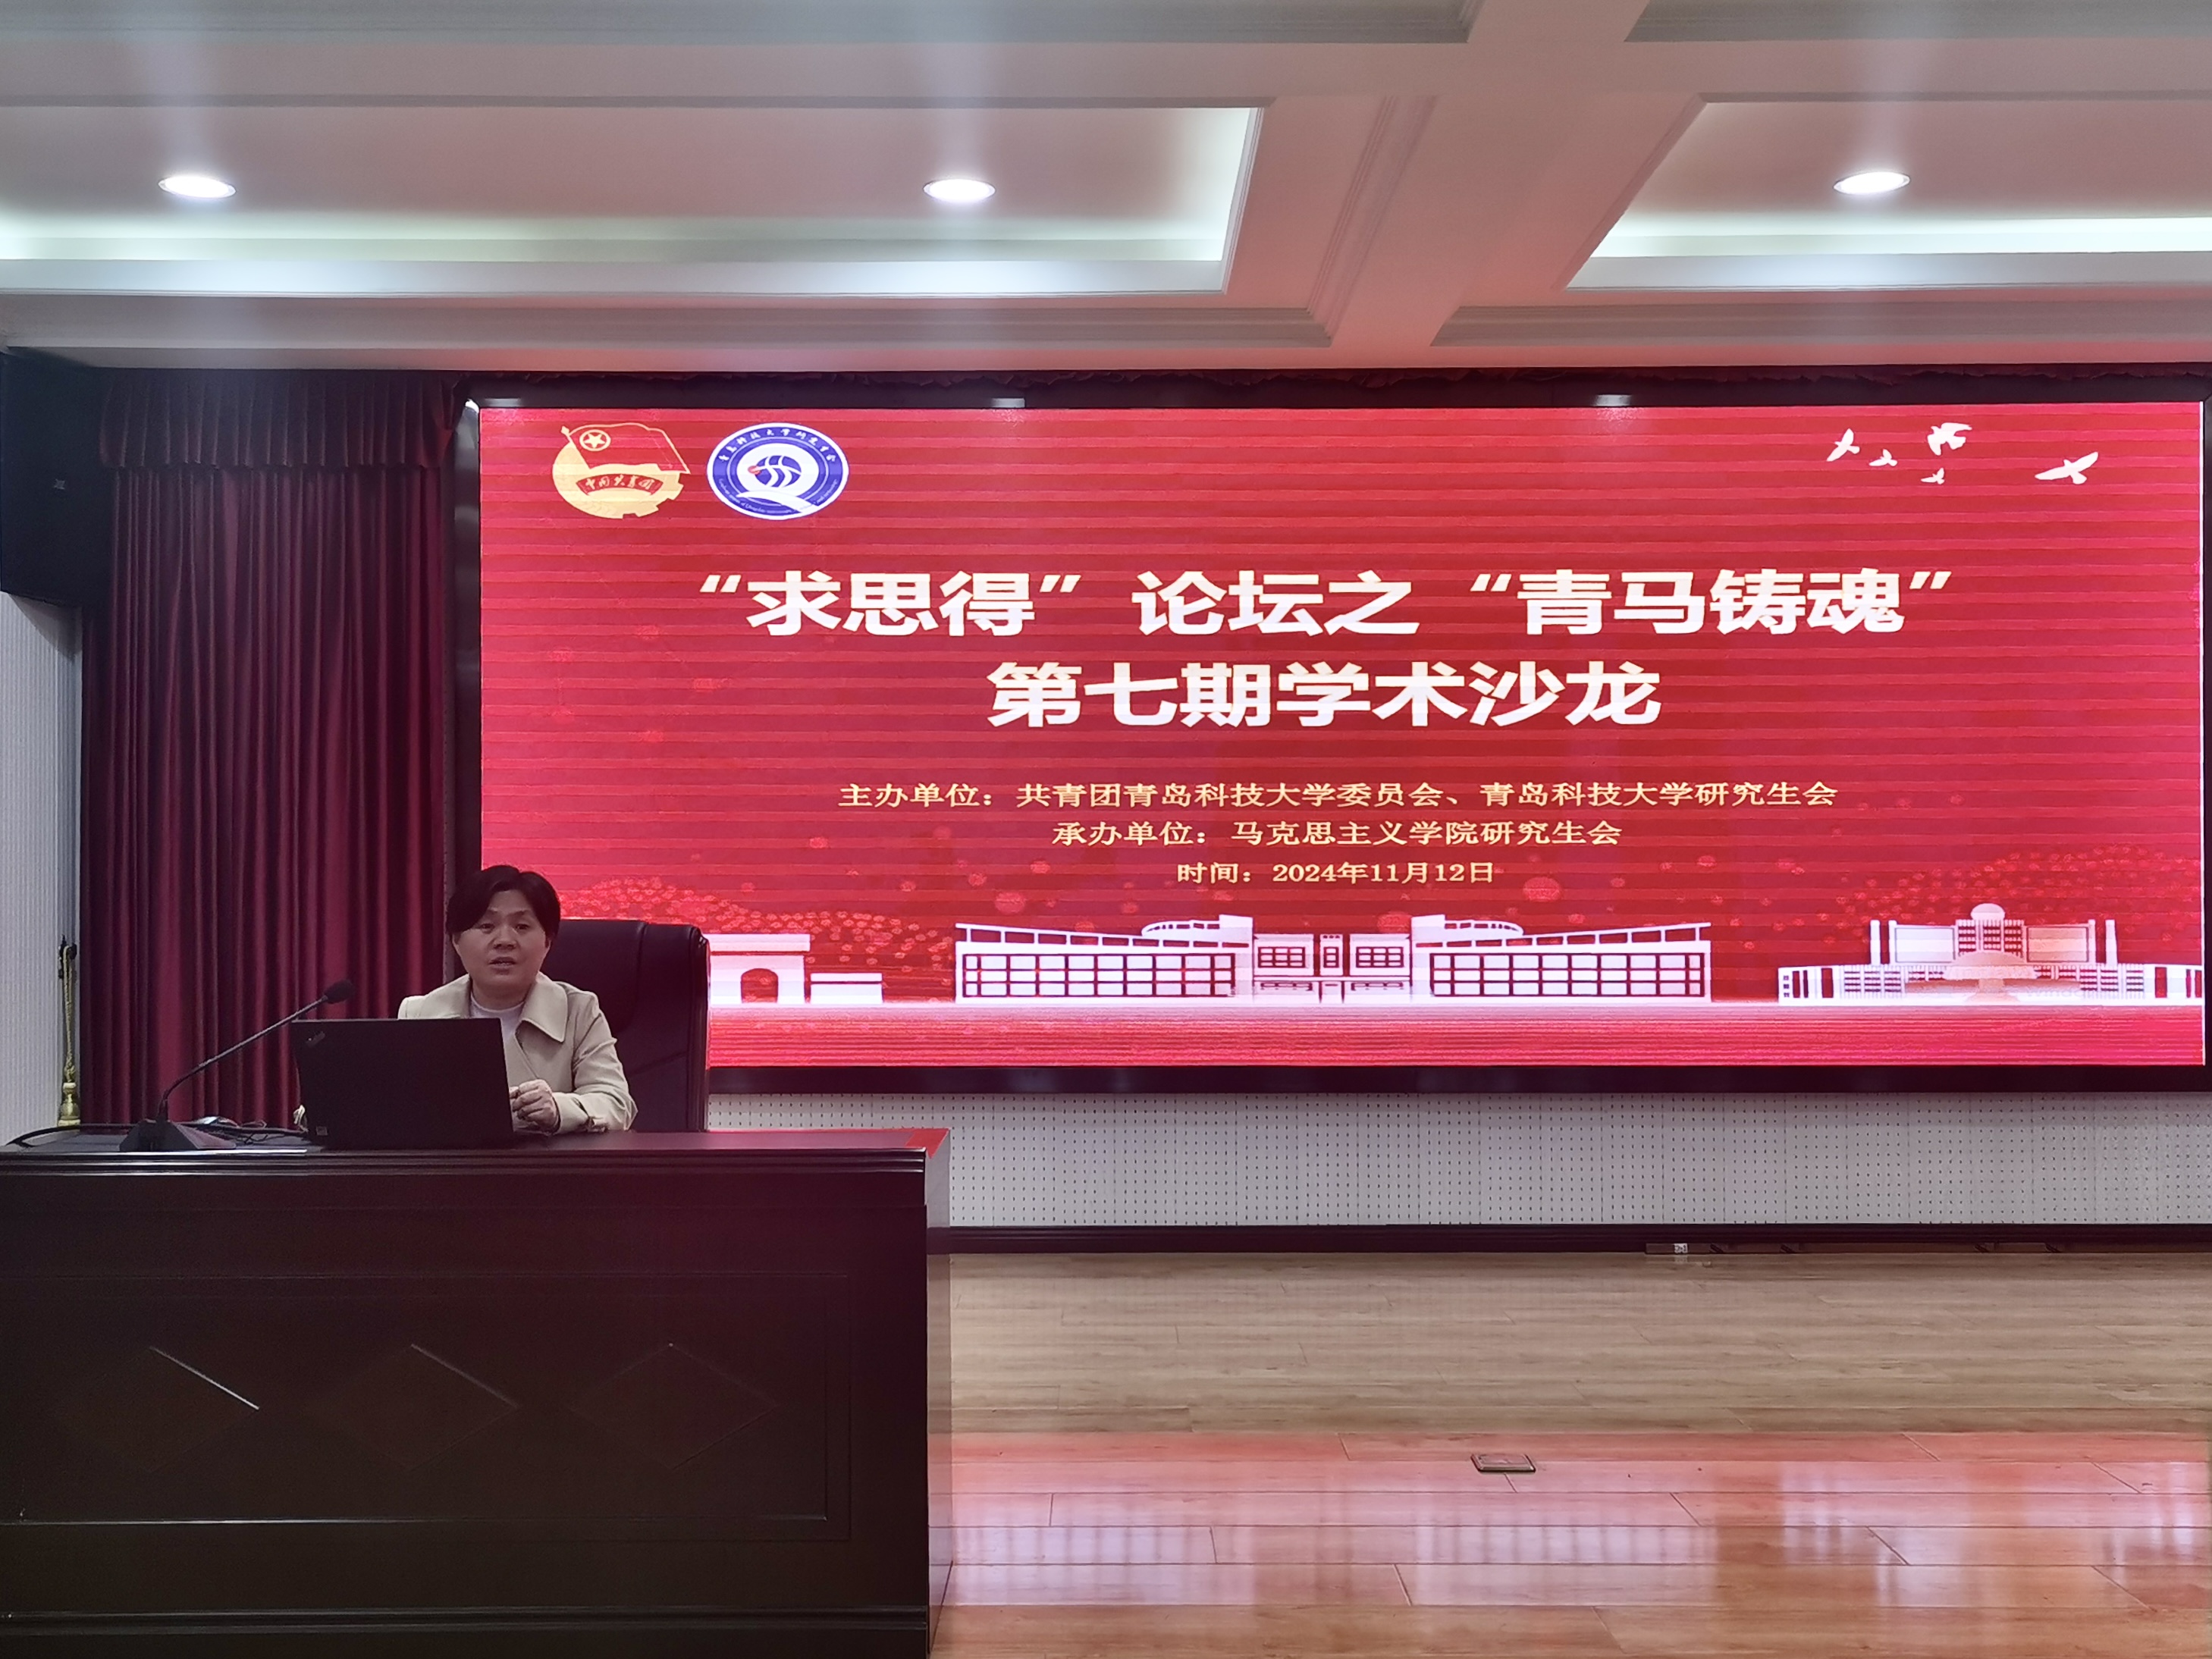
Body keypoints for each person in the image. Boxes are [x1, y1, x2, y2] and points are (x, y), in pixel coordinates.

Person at [400, 866, 635, 1134]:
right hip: (454, 1160)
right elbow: (400, 1112)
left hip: (547, 1160)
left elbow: (616, 1103)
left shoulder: (578, 1011)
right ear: (456, 941)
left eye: (522, 926)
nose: (505, 941)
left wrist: (560, 1109)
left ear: (547, 942)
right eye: (486, 926)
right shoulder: (420, 1013)